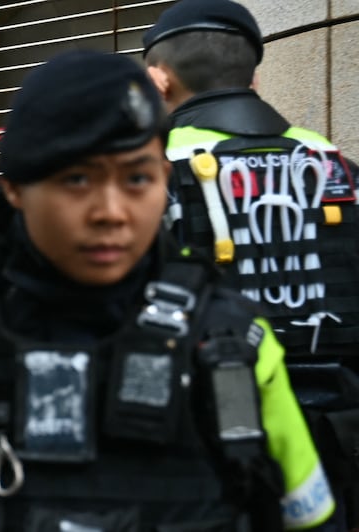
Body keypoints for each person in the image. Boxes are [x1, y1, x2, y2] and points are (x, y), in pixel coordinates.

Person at [0, 50, 335, 531]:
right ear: (16, 189)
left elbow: (307, 515)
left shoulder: (228, 339)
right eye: (77, 181)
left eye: (137, 179)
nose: (111, 211)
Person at [142, 0, 359, 528]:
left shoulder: (146, 181)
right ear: (253, 78)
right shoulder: (342, 171)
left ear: (158, 81)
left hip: (202, 442)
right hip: (342, 438)